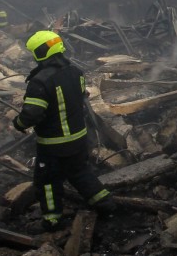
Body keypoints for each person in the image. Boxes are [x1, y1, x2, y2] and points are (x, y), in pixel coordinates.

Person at [13, 30, 113, 231]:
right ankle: (105, 204)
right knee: (80, 172)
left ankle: (52, 220)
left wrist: (18, 124)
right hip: (79, 139)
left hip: (54, 145)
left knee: (47, 181)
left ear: (41, 52)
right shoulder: (75, 72)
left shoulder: (40, 81)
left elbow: (32, 115)